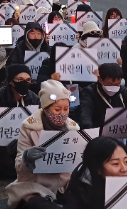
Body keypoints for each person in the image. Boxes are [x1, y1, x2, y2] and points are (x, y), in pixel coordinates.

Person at [6, 80, 80, 209]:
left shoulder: (74, 128)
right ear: (45, 108)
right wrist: (27, 158)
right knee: (37, 205)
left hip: (65, 186)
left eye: (66, 109)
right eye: (57, 109)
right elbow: (19, 167)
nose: (62, 113)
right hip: (36, 186)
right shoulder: (29, 127)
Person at [0, 64, 40, 178]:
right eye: (20, 80)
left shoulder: (34, 99)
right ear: (11, 81)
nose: (24, 83)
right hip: (3, 148)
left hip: (27, 147)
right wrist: (7, 147)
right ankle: (21, 171)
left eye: (28, 80)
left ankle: (12, 171)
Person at [63, 137, 127, 209]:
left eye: (126, 162)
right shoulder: (79, 198)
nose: (124, 169)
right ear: (97, 168)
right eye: (116, 164)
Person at [78, 64, 127, 129]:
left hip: (121, 130)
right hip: (99, 130)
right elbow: (85, 114)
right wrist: (89, 129)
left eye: (117, 84)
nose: (113, 87)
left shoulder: (123, 92)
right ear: (100, 79)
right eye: (110, 84)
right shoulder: (89, 92)